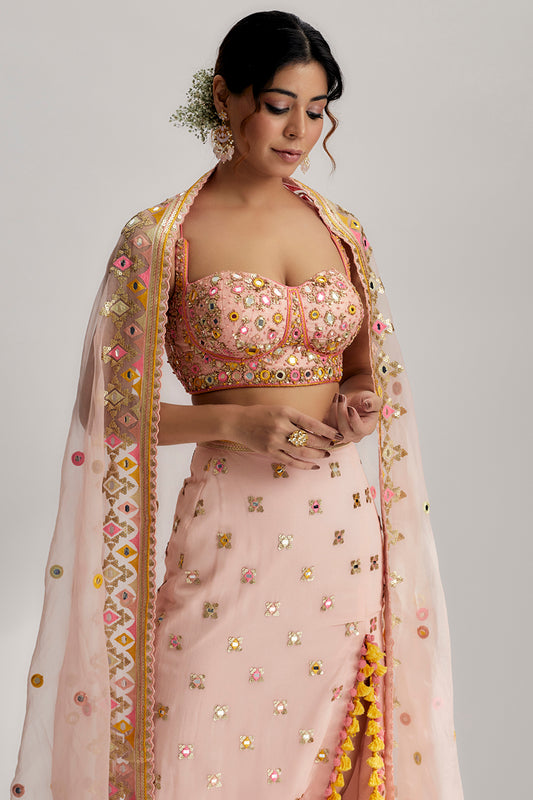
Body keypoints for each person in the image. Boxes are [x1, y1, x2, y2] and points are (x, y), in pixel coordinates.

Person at [11, 10, 464, 800]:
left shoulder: (340, 230)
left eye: (317, 111)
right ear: (225, 97)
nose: (299, 132)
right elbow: (106, 414)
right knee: (192, 746)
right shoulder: (160, 236)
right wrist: (232, 423)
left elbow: (364, 371)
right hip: (231, 527)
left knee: (334, 750)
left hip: (338, 532)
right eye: (279, 105)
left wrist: (358, 406)